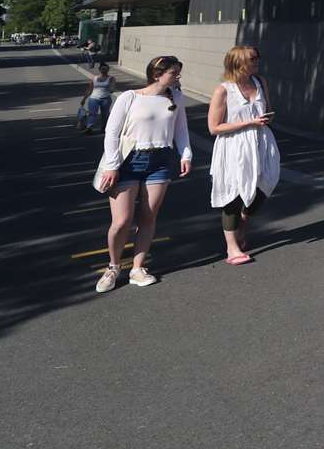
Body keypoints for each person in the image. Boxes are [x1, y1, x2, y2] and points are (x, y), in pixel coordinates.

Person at [91, 55, 192, 292]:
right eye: (173, 73)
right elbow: (112, 133)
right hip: (129, 160)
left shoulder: (175, 97)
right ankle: (114, 267)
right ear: (157, 74)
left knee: (148, 217)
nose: (177, 77)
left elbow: (181, 130)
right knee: (122, 221)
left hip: (161, 161)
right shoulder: (130, 97)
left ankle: (137, 268)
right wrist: (113, 165)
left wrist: (185, 155)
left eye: (178, 73)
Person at [208, 46, 280, 265]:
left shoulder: (260, 82)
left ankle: (242, 222)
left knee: (265, 184)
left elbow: (268, 109)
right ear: (238, 62)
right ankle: (232, 248)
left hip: (261, 142)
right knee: (233, 194)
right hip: (234, 145)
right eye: (252, 59)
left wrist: (268, 118)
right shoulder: (223, 90)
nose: (257, 61)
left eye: (257, 57)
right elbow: (214, 127)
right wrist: (249, 122)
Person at [79, 63, 115, 134]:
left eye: (106, 69)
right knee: (92, 113)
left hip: (106, 99)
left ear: (108, 70)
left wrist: (111, 89)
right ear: (99, 69)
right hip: (94, 98)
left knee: (105, 114)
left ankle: (104, 128)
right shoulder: (94, 78)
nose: (104, 70)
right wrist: (84, 99)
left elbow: (112, 88)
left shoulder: (111, 78)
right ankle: (89, 128)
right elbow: (89, 89)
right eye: (103, 69)